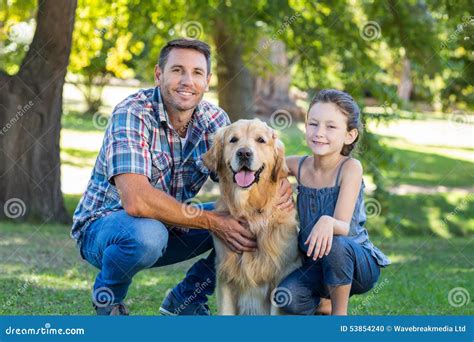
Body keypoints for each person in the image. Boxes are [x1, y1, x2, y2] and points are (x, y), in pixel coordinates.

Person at [71, 38, 294, 315]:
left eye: (197, 73)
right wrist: (214, 222)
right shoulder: (132, 113)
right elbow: (136, 202)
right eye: (177, 70)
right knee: (148, 235)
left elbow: (247, 164)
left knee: (249, 220)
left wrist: (282, 178)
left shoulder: (214, 121)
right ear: (158, 75)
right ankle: (110, 300)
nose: (187, 81)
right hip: (106, 229)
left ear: (207, 80)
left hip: (171, 224)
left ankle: (186, 297)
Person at [276, 89, 391, 315]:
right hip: (317, 264)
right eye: (313, 124)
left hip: (356, 262)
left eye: (331, 127)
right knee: (285, 297)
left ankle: (340, 316)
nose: (319, 133)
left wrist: (328, 221)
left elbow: (343, 226)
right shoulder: (299, 166)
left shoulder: (350, 168)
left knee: (336, 243)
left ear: (349, 135)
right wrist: (281, 185)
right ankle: (324, 303)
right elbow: (269, 165)